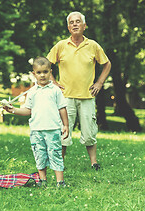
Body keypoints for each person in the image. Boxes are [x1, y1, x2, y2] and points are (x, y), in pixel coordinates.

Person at [47, 11, 111, 170]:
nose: (74, 24)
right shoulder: (61, 45)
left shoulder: (93, 45)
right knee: (63, 133)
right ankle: (59, 164)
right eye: (71, 22)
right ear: (68, 27)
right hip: (65, 97)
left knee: (89, 133)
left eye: (78, 21)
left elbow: (107, 64)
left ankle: (94, 163)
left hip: (87, 97)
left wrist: (99, 83)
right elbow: (46, 64)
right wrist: (53, 82)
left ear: (84, 26)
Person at [4, 57, 69, 187]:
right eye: (39, 72)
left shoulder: (55, 90)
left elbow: (62, 108)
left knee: (55, 154)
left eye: (45, 72)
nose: (42, 75)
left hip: (52, 129)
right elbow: (27, 110)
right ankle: (42, 180)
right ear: (34, 74)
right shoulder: (32, 91)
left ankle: (60, 182)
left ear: (50, 72)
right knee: (40, 155)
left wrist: (66, 125)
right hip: (36, 130)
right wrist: (12, 110)